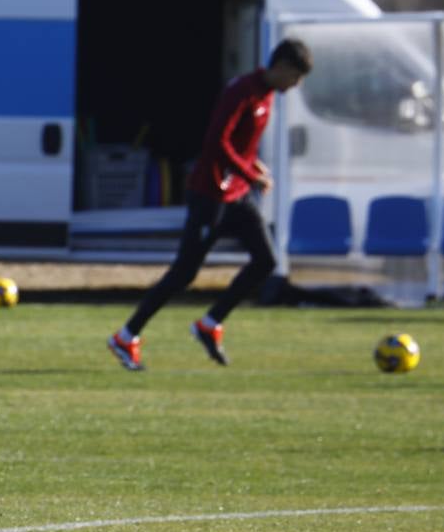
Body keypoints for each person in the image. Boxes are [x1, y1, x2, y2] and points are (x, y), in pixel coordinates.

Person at [108, 39, 313, 371]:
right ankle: (126, 336)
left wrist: (253, 167)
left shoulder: (268, 94)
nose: (297, 85)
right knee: (184, 273)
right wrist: (251, 173)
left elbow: (241, 144)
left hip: (238, 195)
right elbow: (217, 142)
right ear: (282, 67)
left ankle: (210, 323)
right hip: (211, 195)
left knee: (266, 261)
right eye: (296, 76)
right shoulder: (242, 91)